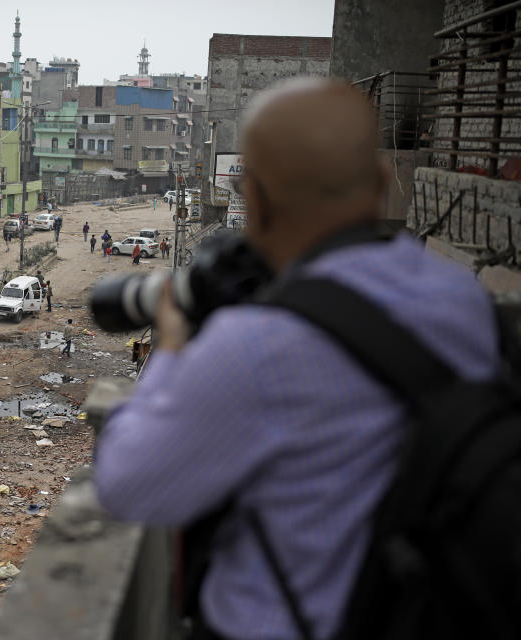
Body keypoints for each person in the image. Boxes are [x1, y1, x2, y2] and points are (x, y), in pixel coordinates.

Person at [93, 78, 499, 640]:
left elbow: (125, 484)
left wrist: (172, 345)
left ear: (252, 197)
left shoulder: (260, 345)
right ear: (383, 179)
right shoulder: (465, 300)